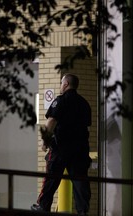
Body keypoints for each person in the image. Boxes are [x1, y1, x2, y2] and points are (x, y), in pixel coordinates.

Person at [31, 73, 92, 215]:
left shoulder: (61, 101)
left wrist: (45, 141)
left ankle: (42, 207)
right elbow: (86, 127)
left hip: (61, 148)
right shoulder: (84, 103)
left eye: (61, 83)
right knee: (80, 181)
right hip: (79, 149)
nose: (60, 86)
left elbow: (51, 122)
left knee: (51, 178)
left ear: (65, 84)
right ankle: (83, 211)